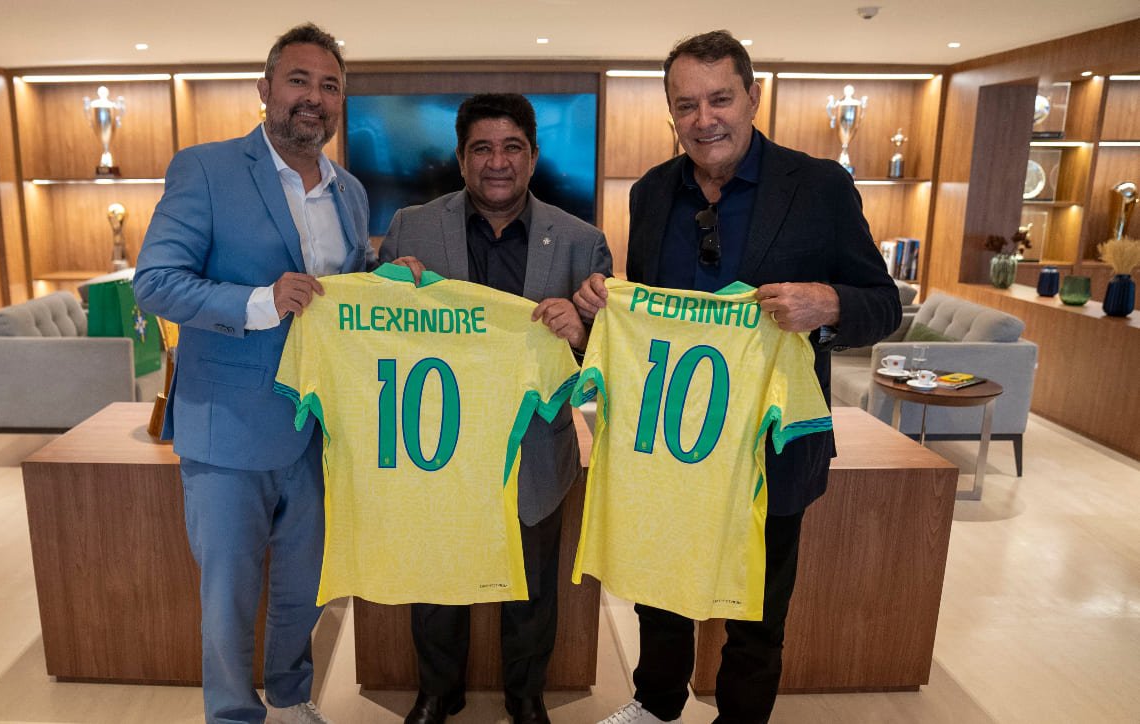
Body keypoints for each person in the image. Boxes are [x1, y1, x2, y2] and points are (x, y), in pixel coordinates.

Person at [574, 31, 901, 724]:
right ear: (670, 113)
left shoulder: (819, 186)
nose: (704, 119)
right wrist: (611, 305)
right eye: (685, 104)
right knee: (658, 587)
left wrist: (831, 303)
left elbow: (885, 305)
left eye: (720, 98)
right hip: (669, 434)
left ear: (753, 97)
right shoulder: (652, 191)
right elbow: (655, 302)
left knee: (758, 603)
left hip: (770, 441)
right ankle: (656, 704)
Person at [133, 23, 371, 724]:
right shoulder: (205, 169)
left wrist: (390, 282)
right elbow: (156, 283)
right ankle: (234, 714)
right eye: (299, 80)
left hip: (319, 431)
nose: (315, 98)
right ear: (266, 89)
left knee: (306, 587)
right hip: (229, 429)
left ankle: (293, 696)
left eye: (330, 86)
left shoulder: (349, 191)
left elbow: (342, 295)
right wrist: (260, 303)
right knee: (229, 596)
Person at [378, 93, 613, 724]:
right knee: (436, 577)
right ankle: (438, 691)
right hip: (436, 443)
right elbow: (376, 338)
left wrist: (584, 334)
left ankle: (525, 696)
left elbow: (609, 366)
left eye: (512, 147)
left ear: (533, 158)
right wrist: (389, 288)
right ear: (460, 159)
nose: (497, 162)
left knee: (533, 587)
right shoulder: (410, 229)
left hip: (536, 444)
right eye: (482, 148)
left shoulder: (581, 242)